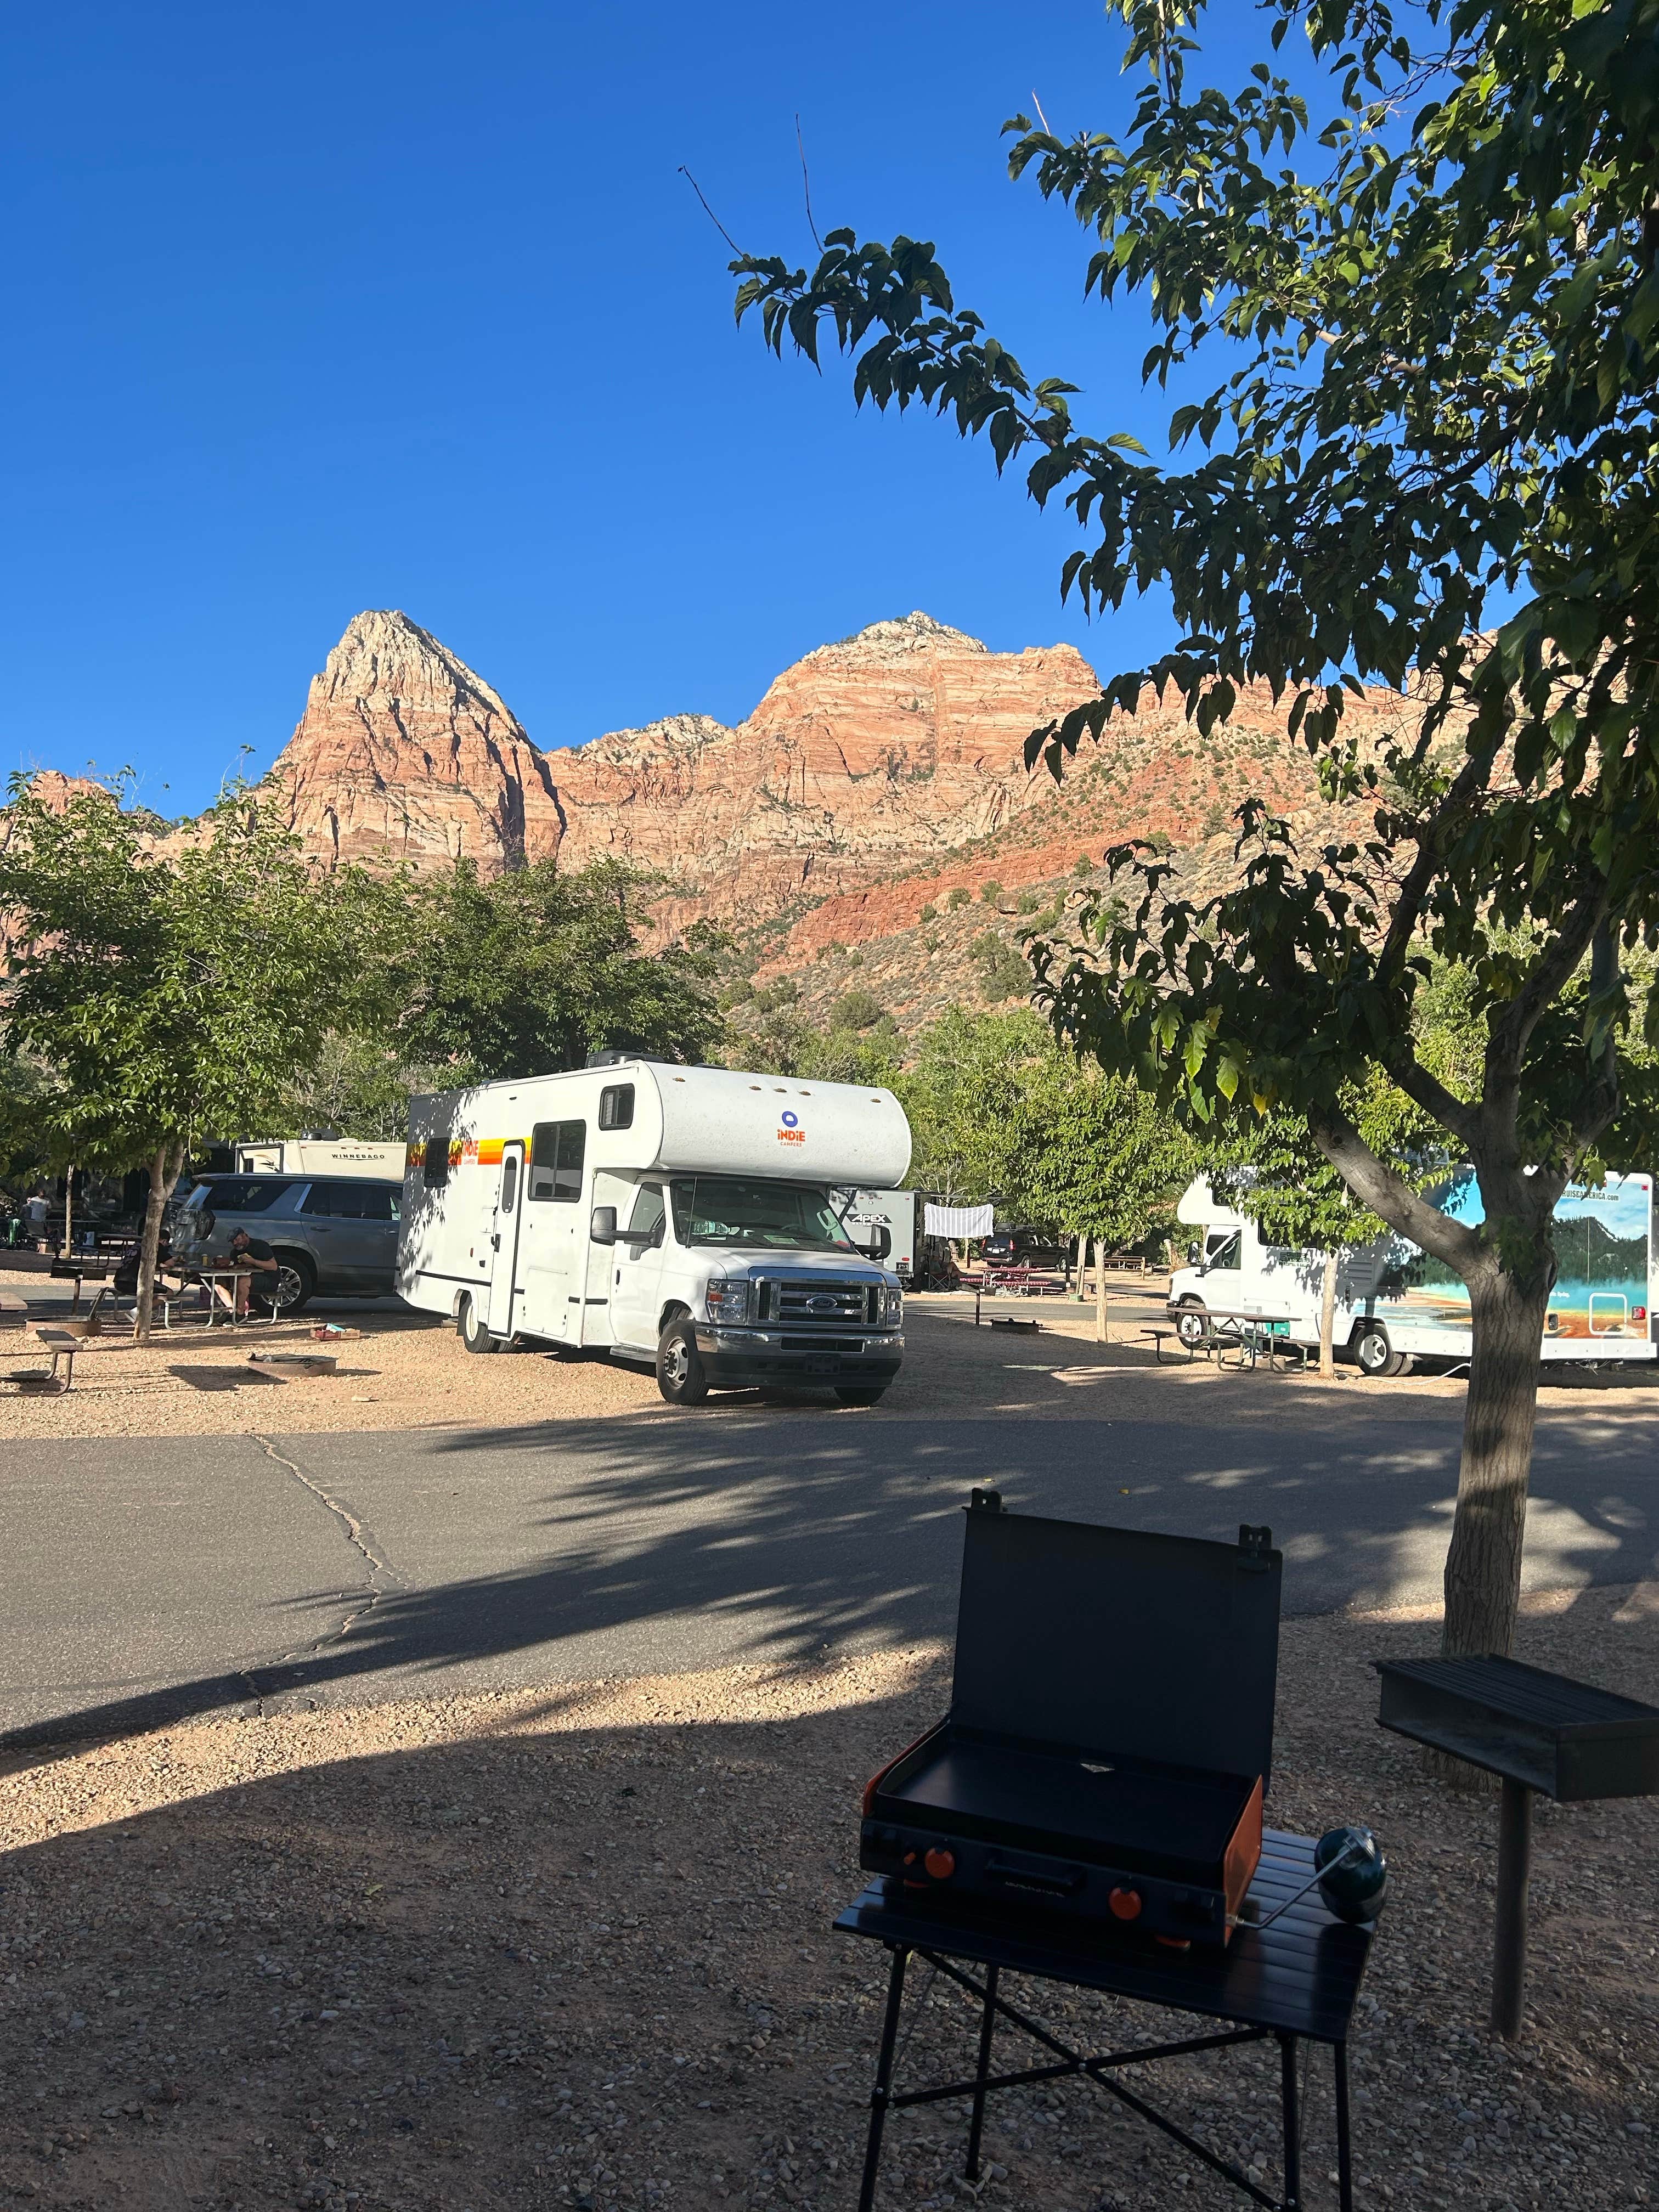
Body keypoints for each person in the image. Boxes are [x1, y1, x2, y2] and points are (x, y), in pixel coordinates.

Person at [223, 1225, 280, 1319]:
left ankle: (240, 1314)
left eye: (237, 1239)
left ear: (244, 1235)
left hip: (269, 1278)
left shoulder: (260, 1246)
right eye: (233, 1242)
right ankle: (232, 1311)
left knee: (242, 1282)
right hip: (249, 1278)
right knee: (222, 1282)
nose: (235, 1243)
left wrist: (253, 1261)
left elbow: (273, 1266)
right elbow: (235, 1266)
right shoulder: (235, 1252)